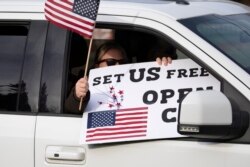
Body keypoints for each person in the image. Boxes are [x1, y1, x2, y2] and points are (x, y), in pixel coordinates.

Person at [64, 41, 173, 114]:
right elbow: (70, 110)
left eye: (122, 62)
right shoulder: (85, 83)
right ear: (97, 65)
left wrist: (164, 70)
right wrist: (77, 96)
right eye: (111, 62)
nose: (117, 66)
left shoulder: (138, 82)